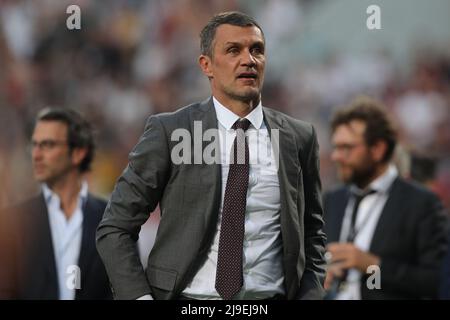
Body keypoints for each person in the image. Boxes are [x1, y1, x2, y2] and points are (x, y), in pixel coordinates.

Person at [96, 11, 326, 300]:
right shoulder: (171, 131)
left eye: (257, 50)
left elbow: (313, 235)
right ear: (207, 65)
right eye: (233, 50)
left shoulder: (299, 138)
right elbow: (116, 227)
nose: (248, 60)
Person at [323, 96, 448, 299]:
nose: (336, 156)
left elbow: (432, 283)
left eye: (347, 147)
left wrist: (373, 266)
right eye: (336, 147)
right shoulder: (333, 199)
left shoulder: (421, 203)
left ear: (378, 149)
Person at [0, 108, 112, 300]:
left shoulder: (112, 221)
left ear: (78, 153)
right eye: (34, 145)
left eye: (48, 145)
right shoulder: (11, 222)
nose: (36, 154)